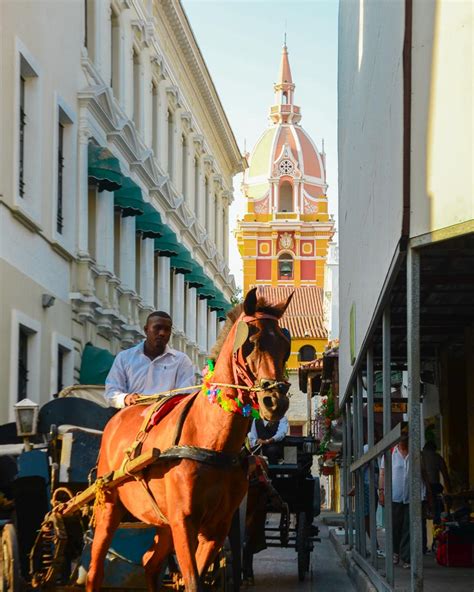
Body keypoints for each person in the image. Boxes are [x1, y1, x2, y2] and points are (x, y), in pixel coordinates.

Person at [105, 311, 195, 408]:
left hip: (165, 417)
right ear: (146, 330)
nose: (162, 333)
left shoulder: (182, 361)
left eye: (167, 330)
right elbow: (111, 392)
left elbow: (185, 396)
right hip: (130, 415)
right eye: (157, 328)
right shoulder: (124, 358)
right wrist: (126, 398)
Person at [379, 434, 411, 568]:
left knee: (408, 528)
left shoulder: (414, 452)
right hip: (394, 496)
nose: (404, 440)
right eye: (402, 437)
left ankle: (406, 557)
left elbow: (422, 472)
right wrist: (381, 491)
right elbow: (382, 473)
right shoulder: (390, 453)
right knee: (395, 526)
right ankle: (395, 552)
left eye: (406, 437)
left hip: (410, 496)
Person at [421, 440, 451, 552]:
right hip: (434, 488)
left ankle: (422, 545)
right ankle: (436, 543)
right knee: (437, 517)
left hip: (422, 489)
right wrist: (450, 493)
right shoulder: (437, 457)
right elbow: (445, 475)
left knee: (422, 518)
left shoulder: (420, 456)